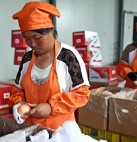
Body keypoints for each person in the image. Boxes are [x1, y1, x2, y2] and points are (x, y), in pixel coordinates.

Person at [9, 2, 90, 130]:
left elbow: (82, 94)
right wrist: (18, 104)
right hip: (31, 131)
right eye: (27, 39)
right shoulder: (27, 58)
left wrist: (52, 106)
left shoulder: (68, 56)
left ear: (51, 30)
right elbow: (18, 90)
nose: (33, 44)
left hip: (61, 133)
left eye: (37, 37)